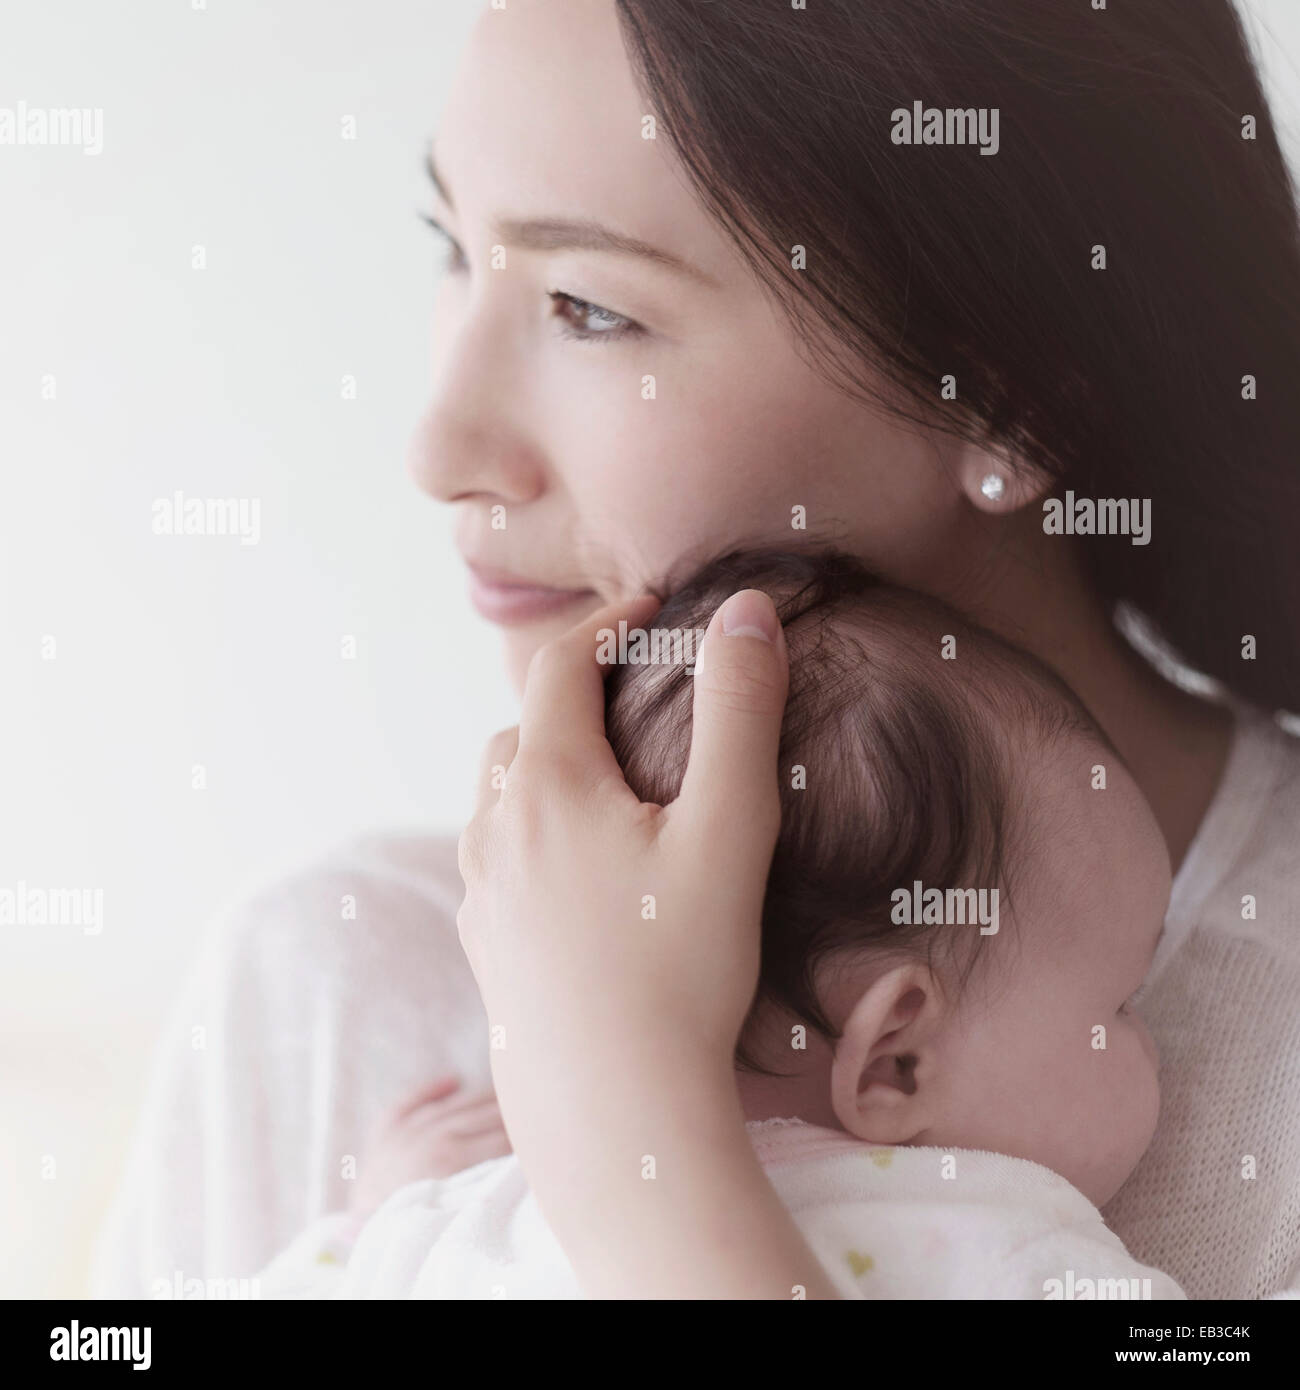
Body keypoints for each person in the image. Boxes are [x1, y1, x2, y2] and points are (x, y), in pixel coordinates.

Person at [93, 0, 1300, 1300]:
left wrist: (624, 1123)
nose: (439, 451)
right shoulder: (335, 985)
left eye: (589, 307)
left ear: (1011, 387)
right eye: (453, 244)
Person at [250, 548, 1188, 1300]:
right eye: (1126, 1001)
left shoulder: (494, 1197)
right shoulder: (1005, 1244)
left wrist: (375, 1231)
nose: (1162, 1042)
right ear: (894, 1060)